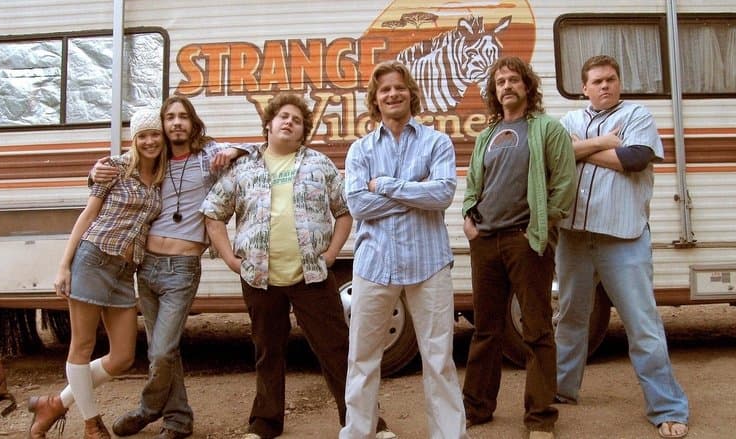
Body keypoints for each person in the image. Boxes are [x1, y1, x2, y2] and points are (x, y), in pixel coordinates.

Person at [201, 93, 392, 439]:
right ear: (269, 124)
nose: (289, 122)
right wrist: (229, 258)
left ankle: (367, 422)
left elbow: (344, 211)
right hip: (259, 277)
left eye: (297, 120)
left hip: (313, 275)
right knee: (268, 351)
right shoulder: (243, 166)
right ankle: (265, 424)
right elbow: (213, 213)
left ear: (304, 131)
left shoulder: (320, 164)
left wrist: (331, 254)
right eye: (283, 117)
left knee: (336, 349)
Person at [90, 95, 250, 439]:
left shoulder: (208, 156)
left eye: (183, 117)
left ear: (192, 123)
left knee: (161, 350)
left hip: (182, 268)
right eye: (170, 117)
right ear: (162, 125)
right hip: (146, 266)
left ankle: (148, 407)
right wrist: (93, 172)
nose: (176, 122)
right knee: (164, 349)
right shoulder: (154, 159)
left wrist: (235, 150)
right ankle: (178, 420)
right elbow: (113, 169)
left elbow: (255, 149)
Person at [553, 55, 690, 439]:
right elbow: (555, 158)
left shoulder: (637, 115)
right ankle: (562, 390)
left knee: (642, 324)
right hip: (574, 237)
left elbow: (635, 158)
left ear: (619, 83)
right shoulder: (568, 121)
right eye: (597, 81)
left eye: (611, 79)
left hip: (623, 237)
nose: (605, 86)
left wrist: (582, 150)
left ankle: (667, 407)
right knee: (570, 319)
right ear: (584, 88)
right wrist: (605, 144)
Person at [341, 60, 467, 439]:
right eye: (385, 90)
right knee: (362, 358)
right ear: (375, 99)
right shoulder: (360, 149)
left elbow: (442, 194)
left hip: (429, 264)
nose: (392, 94)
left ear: (411, 94)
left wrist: (386, 185)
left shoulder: (436, 142)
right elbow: (358, 204)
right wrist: (416, 191)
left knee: (439, 358)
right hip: (374, 264)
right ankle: (358, 433)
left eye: (399, 87)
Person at [27, 108, 167, 439]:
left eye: (155, 134)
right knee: (83, 345)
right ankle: (91, 423)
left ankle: (54, 404)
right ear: (134, 139)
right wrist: (64, 265)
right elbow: (88, 215)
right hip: (93, 259)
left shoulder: (164, 176)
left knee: (122, 357)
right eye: (143, 136)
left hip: (125, 271)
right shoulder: (114, 168)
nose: (149, 141)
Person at [460, 56, 576, 439]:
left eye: (513, 80)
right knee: (485, 330)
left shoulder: (547, 129)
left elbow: (564, 183)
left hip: (526, 240)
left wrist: (542, 227)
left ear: (527, 86)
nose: (506, 86)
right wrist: (469, 218)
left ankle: (540, 418)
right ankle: (476, 409)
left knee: (537, 329)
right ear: (494, 92)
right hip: (485, 241)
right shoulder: (487, 135)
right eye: (500, 82)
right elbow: (474, 183)